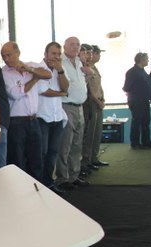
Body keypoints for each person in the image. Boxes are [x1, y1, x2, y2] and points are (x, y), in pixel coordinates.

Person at [1, 41, 51, 181]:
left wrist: (31, 71)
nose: (6, 59)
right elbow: (16, 94)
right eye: (3, 56)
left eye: (9, 55)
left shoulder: (31, 65)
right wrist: (35, 79)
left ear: (18, 53)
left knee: (37, 158)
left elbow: (48, 74)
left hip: (33, 119)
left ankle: (37, 187)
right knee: (18, 159)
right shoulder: (4, 73)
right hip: (17, 122)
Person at [56, 38, 91, 188]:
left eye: (77, 45)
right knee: (65, 144)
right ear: (64, 47)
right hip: (66, 106)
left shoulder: (79, 61)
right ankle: (62, 178)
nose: (75, 47)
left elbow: (82, 84)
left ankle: (74, 175)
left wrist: (89, 74)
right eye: (72, 45)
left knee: (77, 143)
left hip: (80, 106)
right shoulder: (60, 62)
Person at [36, 42, 70, 191]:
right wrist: (61, 94)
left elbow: (66, 87)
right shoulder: (38, 69)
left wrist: (60, 70)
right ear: (45, 54)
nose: (56, 57)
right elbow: (44, 91)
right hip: (42, 117)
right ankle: (39, 184)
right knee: (42, 152)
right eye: (53, 54)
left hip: (57, 117)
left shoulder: (59, 69)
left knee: (53, 152)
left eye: (58, 54)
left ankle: (49, 183)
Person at [81, 45, 109, 174]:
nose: (93, 56)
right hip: (91, 103)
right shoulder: (85, 68)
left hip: (98, 102)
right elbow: (89, 90)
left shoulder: (94, 68)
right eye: (90, 53)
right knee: (89, 134)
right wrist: (98, 101)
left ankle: (93, 158)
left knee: (96, 133)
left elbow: (98, 87)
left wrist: (102, 99)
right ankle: (86, 161)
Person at [123, 52, 151, 149]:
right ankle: (135, 143)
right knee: (137, 121)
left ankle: (146, 142)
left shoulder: (143, 71)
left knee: (146, 121)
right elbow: (126, 87)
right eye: (147, 59)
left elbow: (146, 84)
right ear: (141, 60)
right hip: (136, 100)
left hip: (145, 100)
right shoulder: (132, 72)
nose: (148, 60)